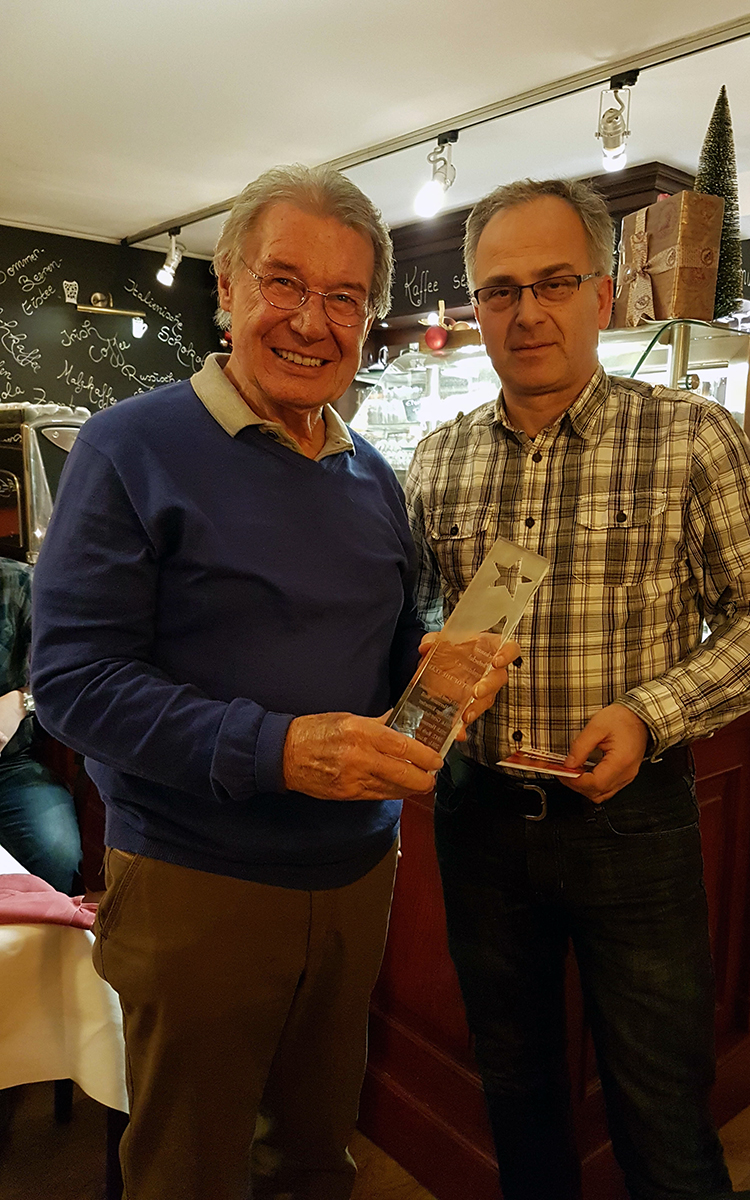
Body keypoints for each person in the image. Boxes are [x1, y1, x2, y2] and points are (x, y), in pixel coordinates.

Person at [30, 163, 515, 1200]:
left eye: (345, 297)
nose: (310, 320)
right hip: (195, 880)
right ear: (228, 288)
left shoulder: (373, 474)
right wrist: (281, 749)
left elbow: (390, 644)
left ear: (369, 321)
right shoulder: (127, 447)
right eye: (284, 282)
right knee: (188, 1168)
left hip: (357, 875)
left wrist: (435, 664)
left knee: (313, 1154)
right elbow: (72, 681)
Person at [406, 178, 750, 1200]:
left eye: (553, 282)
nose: (527, 312)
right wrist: (419, 660)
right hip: (478, 819)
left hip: (633, 825)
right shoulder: (436, 460)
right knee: (515, 1088)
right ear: (474, 307)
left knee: (662, 1110)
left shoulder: (692, 437)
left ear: (602, 295)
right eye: (501, 290)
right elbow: (405, 621)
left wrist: (649, 713)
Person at [0, 556, 80, 892]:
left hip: (10, 766)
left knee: (57, 853)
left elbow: (66, 676)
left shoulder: (20, 583)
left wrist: (21, 702)